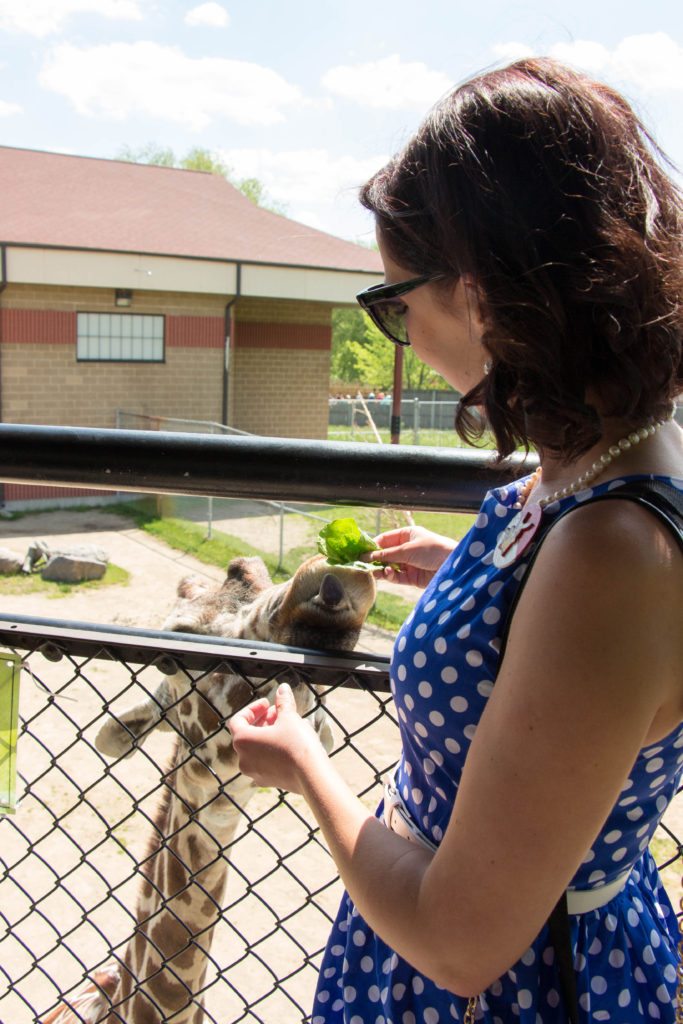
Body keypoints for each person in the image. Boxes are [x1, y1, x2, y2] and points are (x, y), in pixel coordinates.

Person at [229, 57, 683, 1023]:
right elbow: (569, 658)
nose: (402, 328)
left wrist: (306, 766)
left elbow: (459, 940)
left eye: (397, 303)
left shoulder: (610, 553)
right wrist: (480, 586)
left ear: (477, 296)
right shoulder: (603, 463)